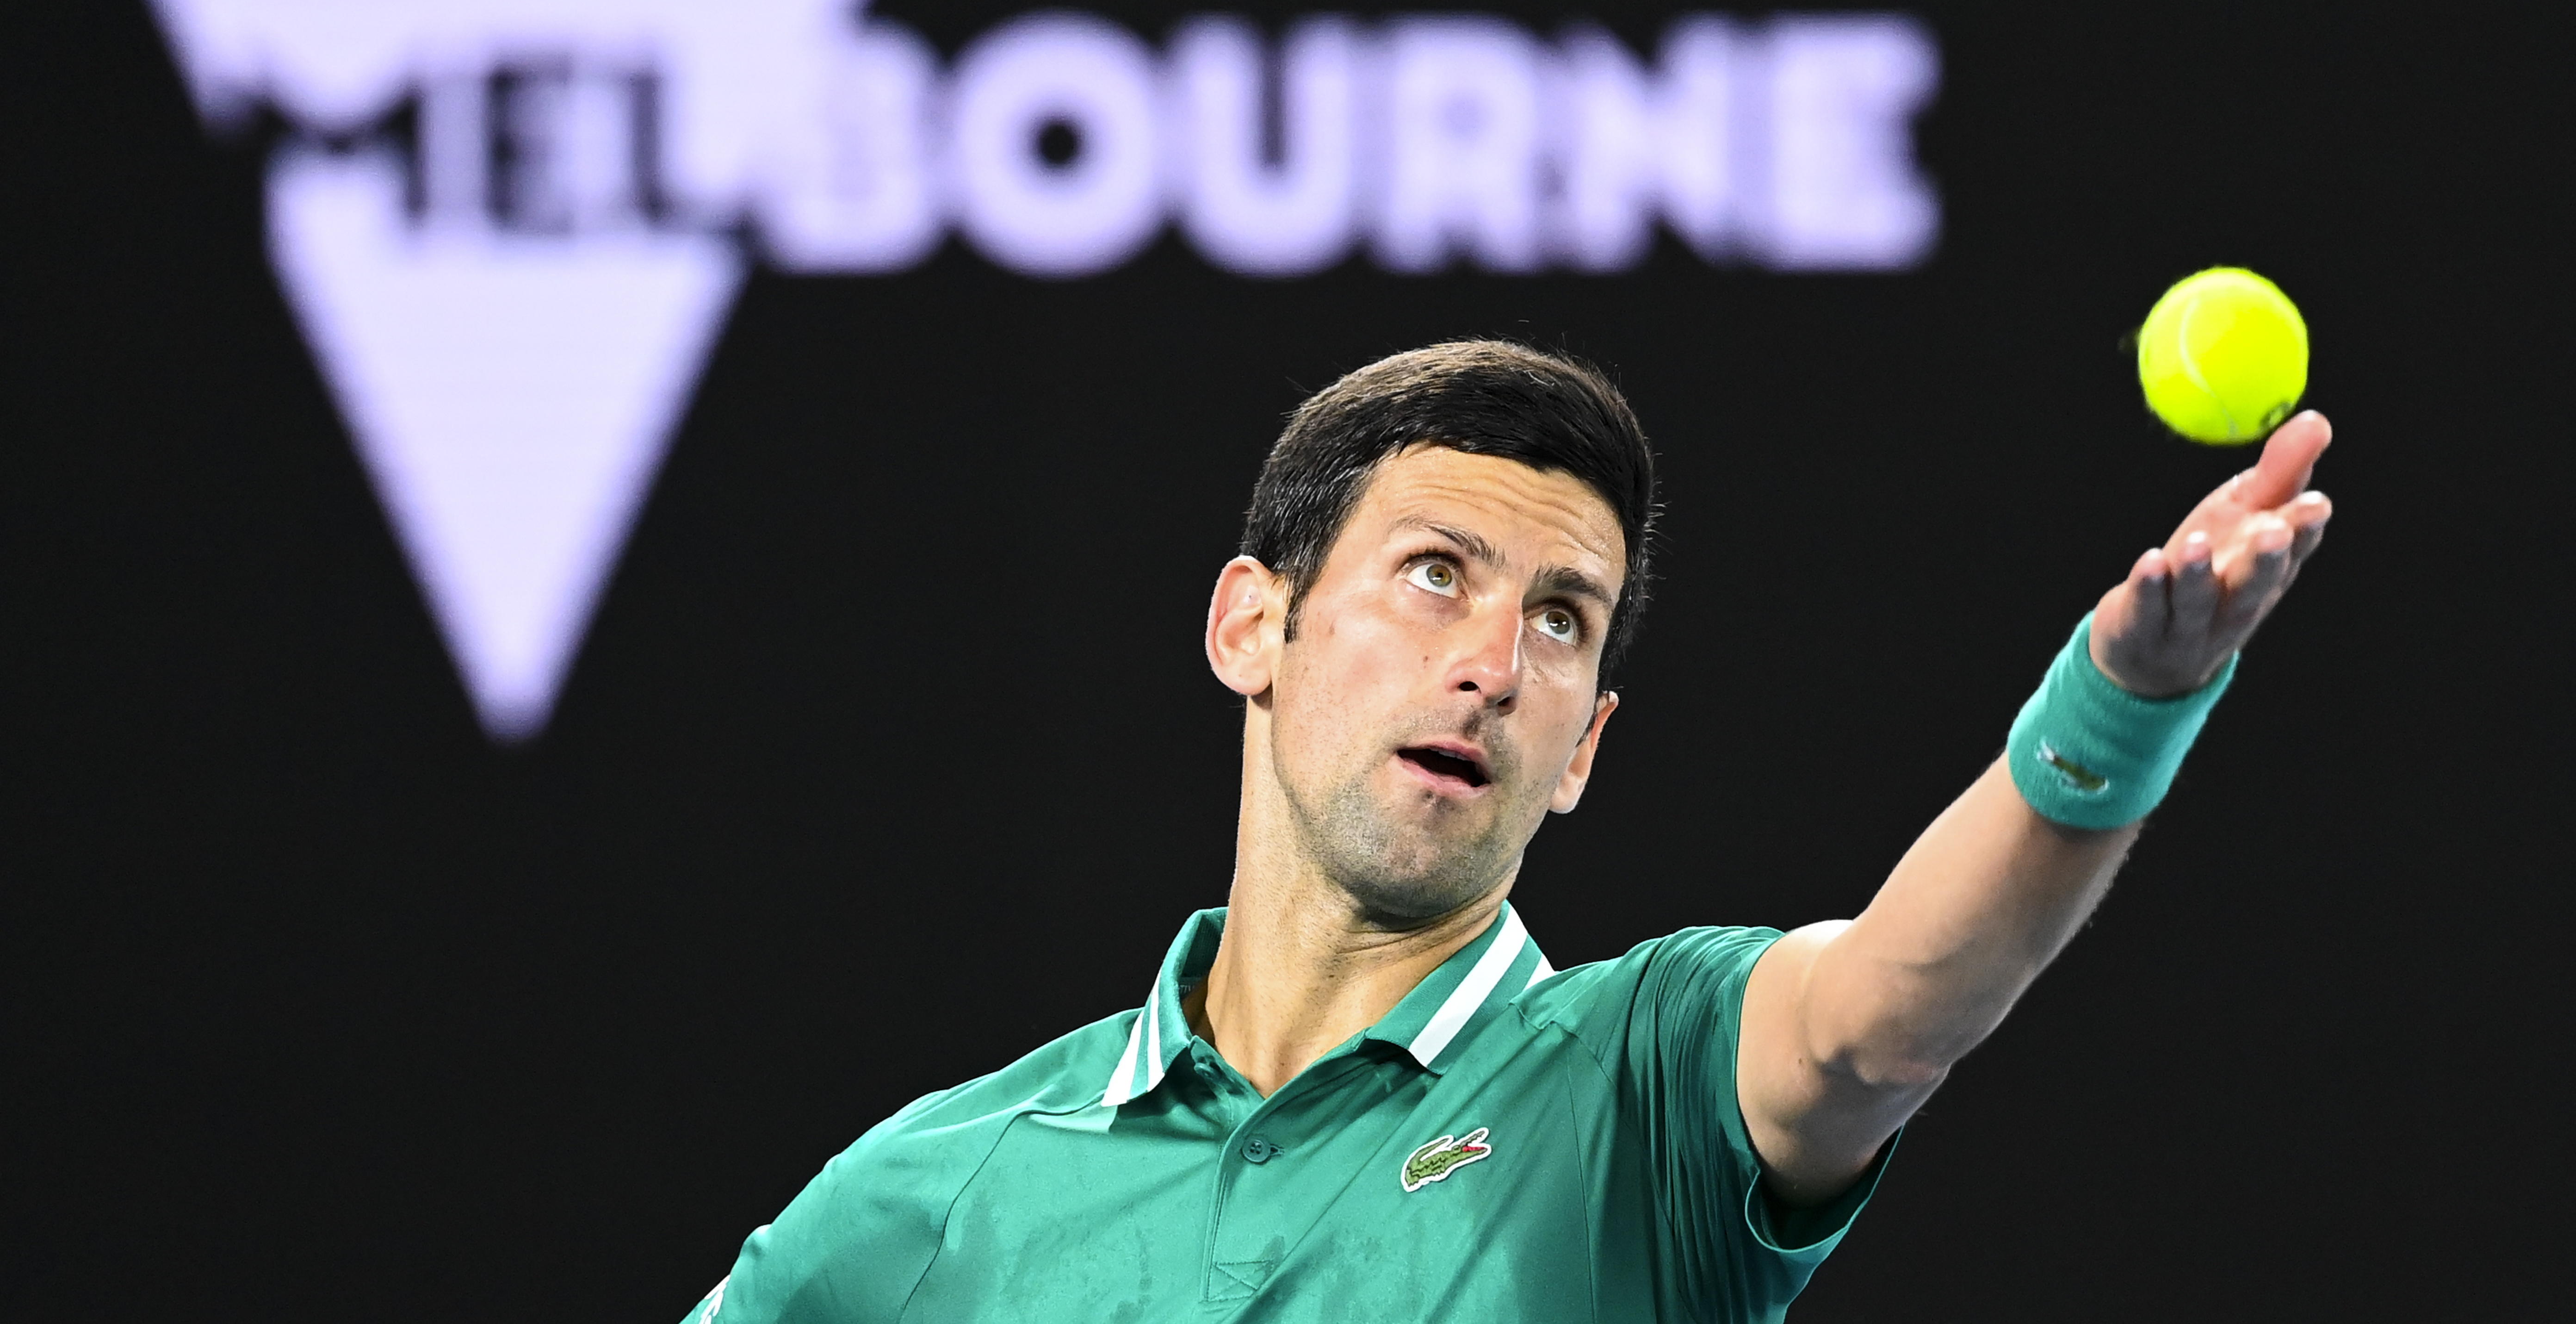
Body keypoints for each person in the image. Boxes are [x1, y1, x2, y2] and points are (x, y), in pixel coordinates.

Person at [679, 340, 2333, 1322]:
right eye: (1433, 574)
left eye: (1562, 618)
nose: (1491, 662)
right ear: (1253, 626)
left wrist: (2124, 694)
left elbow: (1885, 1019)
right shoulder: (938, 1196)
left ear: (1584, 749)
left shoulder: (1647, 1073)